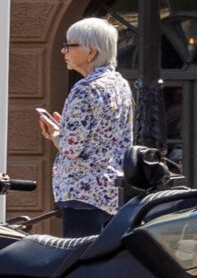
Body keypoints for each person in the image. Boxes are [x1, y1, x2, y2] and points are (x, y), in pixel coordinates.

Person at [38, 18, 135, 237]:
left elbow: (71, 148)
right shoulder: (119, 83)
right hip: (111, 191)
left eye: (69, 45)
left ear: (91, 52)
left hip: (83, 191)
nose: (64, 51)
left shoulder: (85, 88)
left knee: (78, 260)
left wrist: (54, 134)